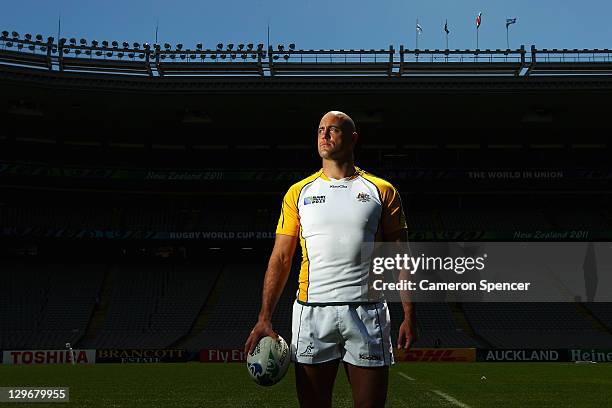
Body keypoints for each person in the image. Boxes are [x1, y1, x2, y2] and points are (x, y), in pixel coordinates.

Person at [245, 111, 416, 408]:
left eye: (333, 130)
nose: (324, 135)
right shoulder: (298, 192)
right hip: (311, 313)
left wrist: (409, 313)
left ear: (352, 139)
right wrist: (264, 317)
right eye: (321, 129)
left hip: (367, 311)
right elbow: (282, 257)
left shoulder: (382, 190)